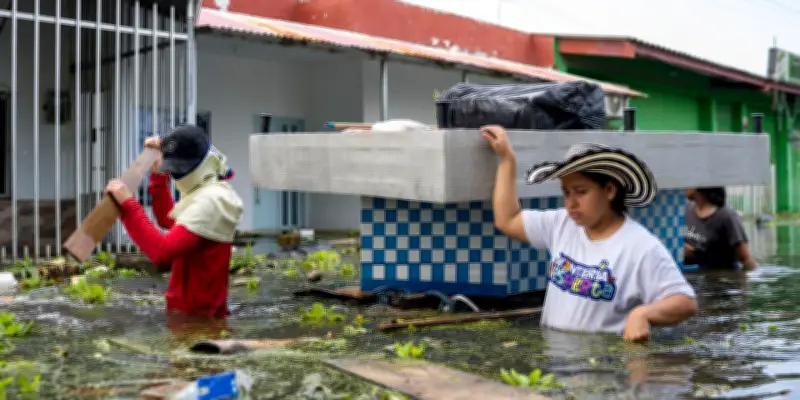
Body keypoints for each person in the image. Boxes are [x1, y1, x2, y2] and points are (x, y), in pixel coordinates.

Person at [481, 125, 698, 341]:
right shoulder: (561, 224)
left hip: (604, 366)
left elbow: (685, 301)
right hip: (556, 361)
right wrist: (507, 160)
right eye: (566, 193)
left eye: (581, 192)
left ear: (609, 191)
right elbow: (507, 220)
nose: (571, 203)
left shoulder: (640, 247)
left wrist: (642, 313)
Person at [104, 124, 244, 319]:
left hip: (202, 320)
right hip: (187, 314)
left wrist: (129, 206)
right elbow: (168, 218)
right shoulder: (202, 193)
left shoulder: (214, 199)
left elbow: (163, 252)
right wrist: (158, 175)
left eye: (179, 169)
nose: (178, 175)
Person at [684, 187, 757, 271]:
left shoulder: (726, 217)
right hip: (691, 278)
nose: (685, 185)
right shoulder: (686, 209)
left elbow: (746, 260)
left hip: (720, 279)